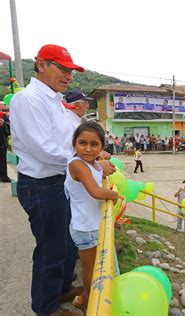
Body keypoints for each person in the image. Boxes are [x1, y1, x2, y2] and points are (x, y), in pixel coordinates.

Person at [10, 44, 116, 316]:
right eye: (62, 68)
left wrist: (94, 157)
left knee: (66, 242)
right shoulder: (29, 99)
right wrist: (87, 165)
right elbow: (44, 150)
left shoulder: (55, 101)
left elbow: (73, 140)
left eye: (70, 70)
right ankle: (45, 308)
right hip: (41, 185)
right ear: (41, 65)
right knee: (51, 248)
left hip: (60, 183)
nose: (68, 75)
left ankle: (59, 290)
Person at [65, 122, 119, 313]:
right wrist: (114, 194)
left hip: (93, 224)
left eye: (94, 144)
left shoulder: (93, 163)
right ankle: (88, 302)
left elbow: (98, 169)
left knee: (99, 268)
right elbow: (96, 192)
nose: (88, 149)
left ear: (102, 147)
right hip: (85, 228)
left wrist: (103, 164)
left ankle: (84, 298)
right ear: (74, 143)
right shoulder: (77, 164)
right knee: (92, 271)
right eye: (82, 143)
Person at [0, 112, 11, 182]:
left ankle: (3, 176)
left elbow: (10, 127)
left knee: (2, 160)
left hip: (2, 142)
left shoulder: (2, 115)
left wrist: (3, 124)